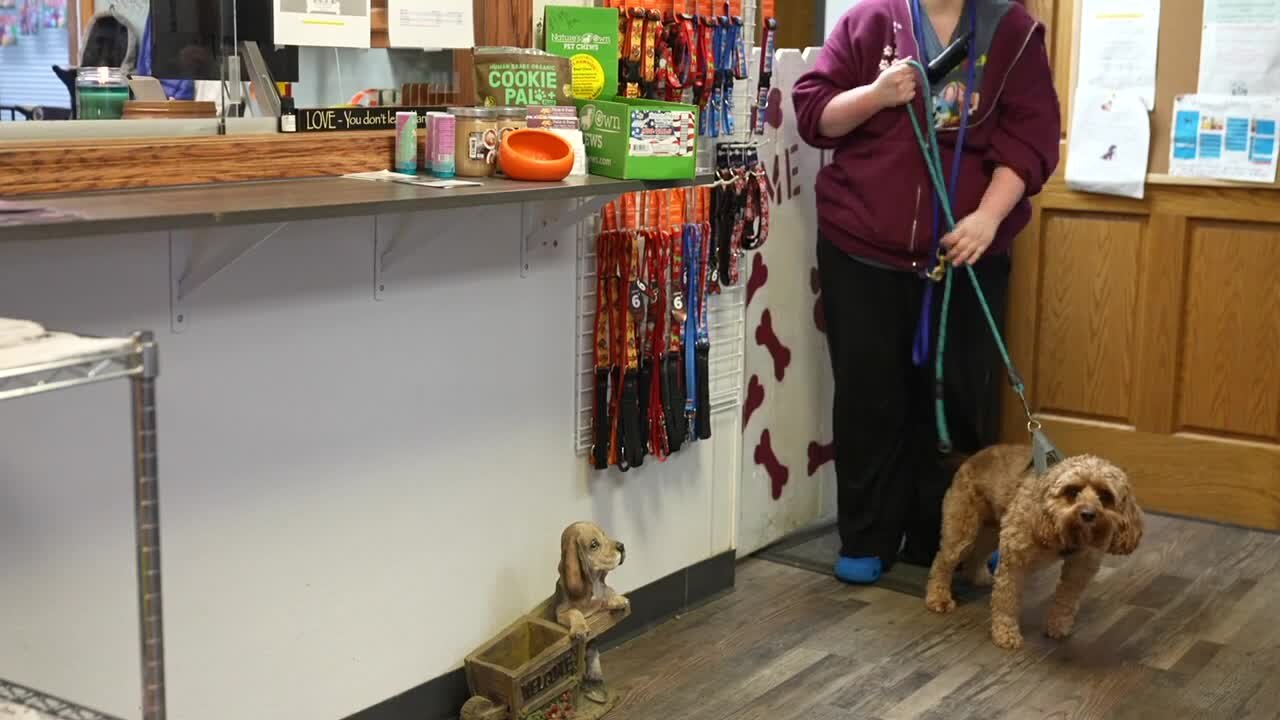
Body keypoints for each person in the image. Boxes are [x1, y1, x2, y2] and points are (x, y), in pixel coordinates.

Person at [792, 0, 1060, 584]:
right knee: (869, 397)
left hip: (966, 252)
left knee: (958, 399)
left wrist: (987, 220)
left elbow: (1031, 140)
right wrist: (876, 94)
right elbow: (815, 115)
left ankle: (947, 544)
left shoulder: (1012, 31)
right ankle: (867, 538)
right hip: (861, 248)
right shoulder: (869, 19)